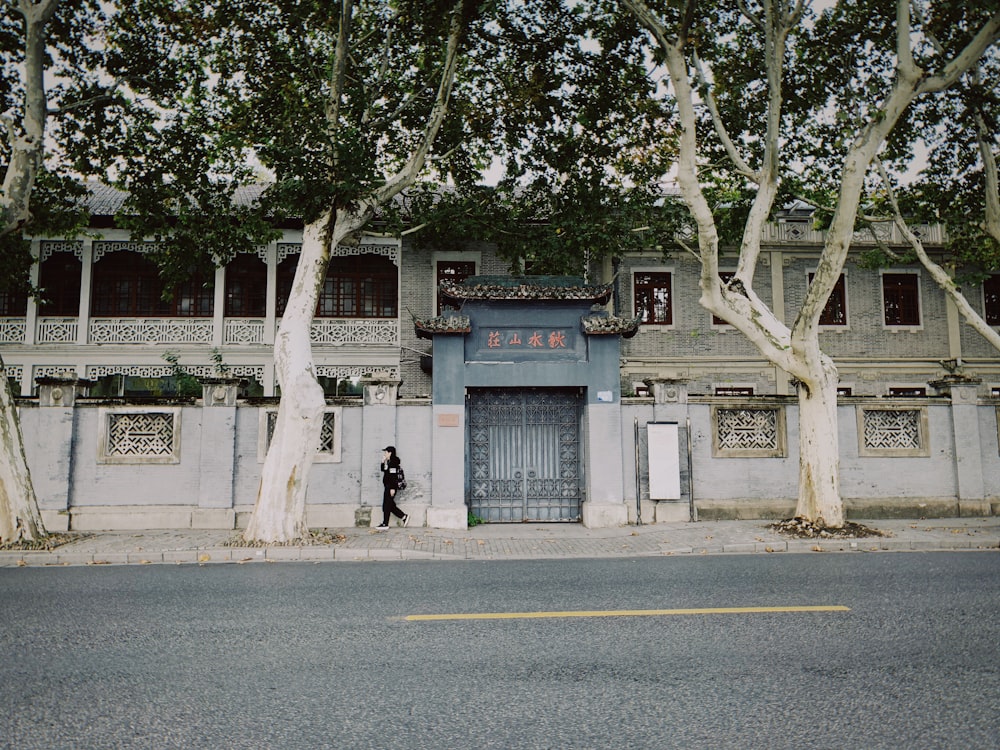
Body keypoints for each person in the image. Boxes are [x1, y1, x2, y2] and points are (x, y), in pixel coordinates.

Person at [376, 445, 408, 530]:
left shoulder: (393, 462)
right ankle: (404, 516)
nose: (385, 453)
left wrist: (392, 488)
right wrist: (383, 462)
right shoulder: (389, 462)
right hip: (388, 486)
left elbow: (393, 476)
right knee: (389, 505)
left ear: (390, 453)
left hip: (390, 486)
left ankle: (385, 524)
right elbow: (384, 471)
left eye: (386, 452)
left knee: (387, 505)